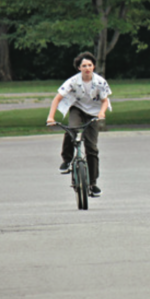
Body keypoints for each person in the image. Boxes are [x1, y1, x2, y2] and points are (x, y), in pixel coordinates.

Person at [46, 52, 111, 197]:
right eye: (84, 66)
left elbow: (105, 100)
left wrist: (102, 113)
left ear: (93, 66)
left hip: (93, 112)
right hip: (78, 108)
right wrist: (50, 117)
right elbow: (57, 99)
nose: (87, 68)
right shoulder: (72, 81)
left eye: (89, 65)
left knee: (92, 147)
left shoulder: (100, 82)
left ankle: (93, 183)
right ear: (79, 68)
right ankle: (67, 160)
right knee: (72, 130)